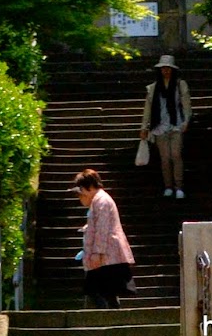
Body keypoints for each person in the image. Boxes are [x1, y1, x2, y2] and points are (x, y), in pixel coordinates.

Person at [73, 168, 135, 308]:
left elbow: (102, 229)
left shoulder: (102, 202)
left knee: (100, 291)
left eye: (81, 189)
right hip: (106, 256)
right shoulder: (100, 201)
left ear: (88, 187)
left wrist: (97, 252)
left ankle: (108, 317)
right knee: (106, 291)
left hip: (106, 256)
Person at [139, 54, 193, 198]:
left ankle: (179, 186)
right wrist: (144, 127)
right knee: (165, 158)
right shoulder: (153, 88)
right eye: (163, 68)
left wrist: (186, 121)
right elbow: (148, 109)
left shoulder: (180, 85)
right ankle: (168, 186)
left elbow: (186, 105)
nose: (166, 71)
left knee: (176, 155)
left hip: (176, 125)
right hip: (159, 126)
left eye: (168, 68)